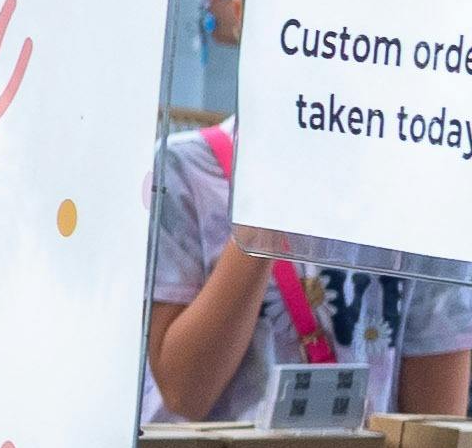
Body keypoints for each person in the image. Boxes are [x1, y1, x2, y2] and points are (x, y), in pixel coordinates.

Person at [146, 118, 472, 422]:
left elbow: (435, 431)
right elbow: (184, 394)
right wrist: (265, 207)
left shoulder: (428, 193)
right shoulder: (186, 168)